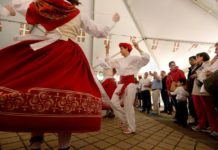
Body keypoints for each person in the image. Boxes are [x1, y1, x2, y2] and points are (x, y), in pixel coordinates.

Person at [0, 0, 120, 149]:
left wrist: (6, 11)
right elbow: (101, 31)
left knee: (37, 93)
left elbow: (19, 5)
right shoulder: (79, 13)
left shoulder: (44, 6)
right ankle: (64, 146)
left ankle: (35, 143)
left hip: (47, 53)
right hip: (70, 56)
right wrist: (113, 22)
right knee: (69, 97)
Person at [105, 40, 150, 134]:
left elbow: (146, 59)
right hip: (121, 84)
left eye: (121, 48)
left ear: (127, 49)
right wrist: (107, 50)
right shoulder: (119, 60)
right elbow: (108, 63)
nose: (120, 51)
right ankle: (124, 118)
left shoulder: (134, 58)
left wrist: (138, 48)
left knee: (128, 106)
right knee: (113, 102)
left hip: (130, 84)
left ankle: (132, 128)